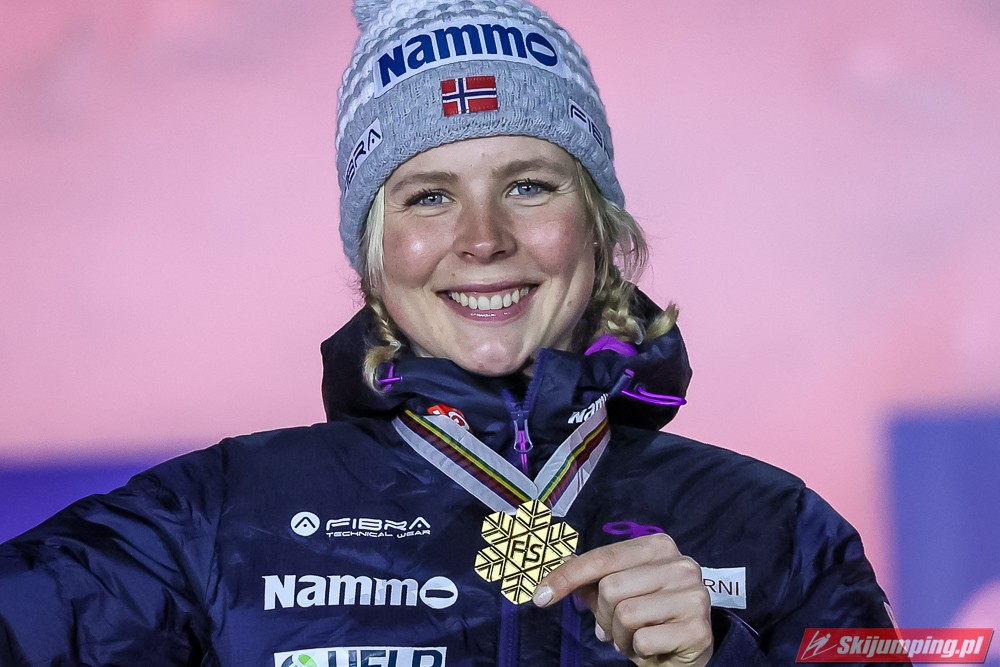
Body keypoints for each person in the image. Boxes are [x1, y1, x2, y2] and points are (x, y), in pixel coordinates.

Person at [0, 1, 902, 665]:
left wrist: (717, 660)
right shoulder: (219, 518)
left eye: (529, 186)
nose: (482, 239)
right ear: (375, 252)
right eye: (429, 196)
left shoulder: (780, 530)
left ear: (597, 226)